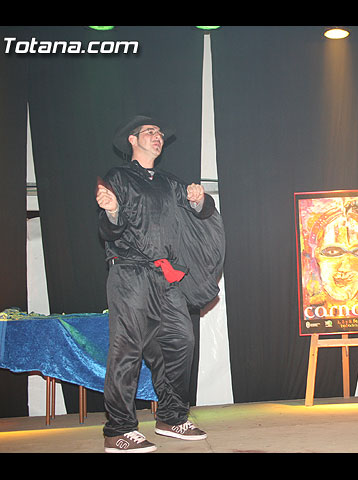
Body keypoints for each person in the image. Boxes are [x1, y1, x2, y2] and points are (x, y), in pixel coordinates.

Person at [96, 115, 223, 453]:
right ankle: (119, 430)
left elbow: (202, 213)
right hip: (130, 274)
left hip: (164, 277)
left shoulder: (169, 182)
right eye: (150, 132)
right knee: (127, 350)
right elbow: (109, 230)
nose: (158, 136)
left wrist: (198, 200)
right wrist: (112, 211)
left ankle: (171, 417)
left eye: (160, 133)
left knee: (181, 340)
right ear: (133, 140)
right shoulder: (119, 177)